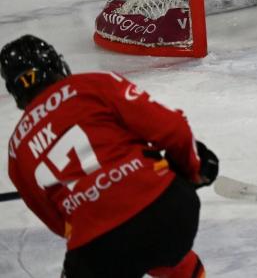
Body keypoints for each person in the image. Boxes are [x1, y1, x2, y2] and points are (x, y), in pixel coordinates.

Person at [2, 35, 218, 278]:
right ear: (54, 65)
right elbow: (173, 129)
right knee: (157, 243)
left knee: (123, 249)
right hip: (170, 214)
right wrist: (193, 170)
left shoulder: (15, 152)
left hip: (100, 248)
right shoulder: (92, 85)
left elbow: (60, 225)